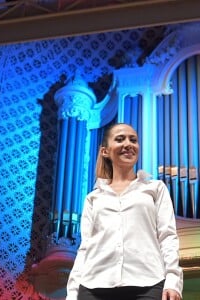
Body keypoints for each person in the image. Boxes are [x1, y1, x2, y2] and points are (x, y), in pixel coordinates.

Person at [66, 123, 183, 300]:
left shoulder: (155, 188)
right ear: (105, 151)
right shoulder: (93, 198)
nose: (128, 144)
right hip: (93, 286)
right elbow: (86, 248)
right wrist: (72, 294)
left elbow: (167, 237)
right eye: (120, 139)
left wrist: (173, 280)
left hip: (148, 283)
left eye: (133, 140)